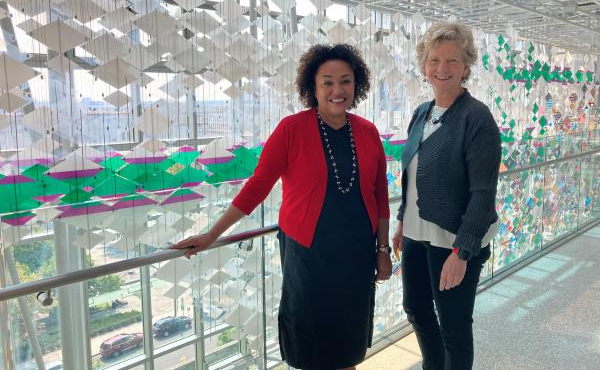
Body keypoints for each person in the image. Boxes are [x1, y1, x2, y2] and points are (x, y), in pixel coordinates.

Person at [172, 44, 391, 370]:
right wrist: (211, 234)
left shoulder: (368, 132)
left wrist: (382, 250)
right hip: (308, 256)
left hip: (356, 256)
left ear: (356, 86)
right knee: (311, 346)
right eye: (327, 81)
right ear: (312, 88)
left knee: (348, 344)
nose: (337, 90)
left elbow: (379, 195)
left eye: (345, 81)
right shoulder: (292, 129)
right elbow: (257, 187)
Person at [392, 22, 501, 370]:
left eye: (452, 61)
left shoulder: (476, 118)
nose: (442, 69)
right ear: (424, 66)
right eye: (434, 60)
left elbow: (483, 194)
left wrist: (462, 251)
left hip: (454, 242)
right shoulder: (421, 113)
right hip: (414, 235)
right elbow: (412, 173)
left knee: (454, 326)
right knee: (417, 310)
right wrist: (400, 222)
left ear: (466, 67)